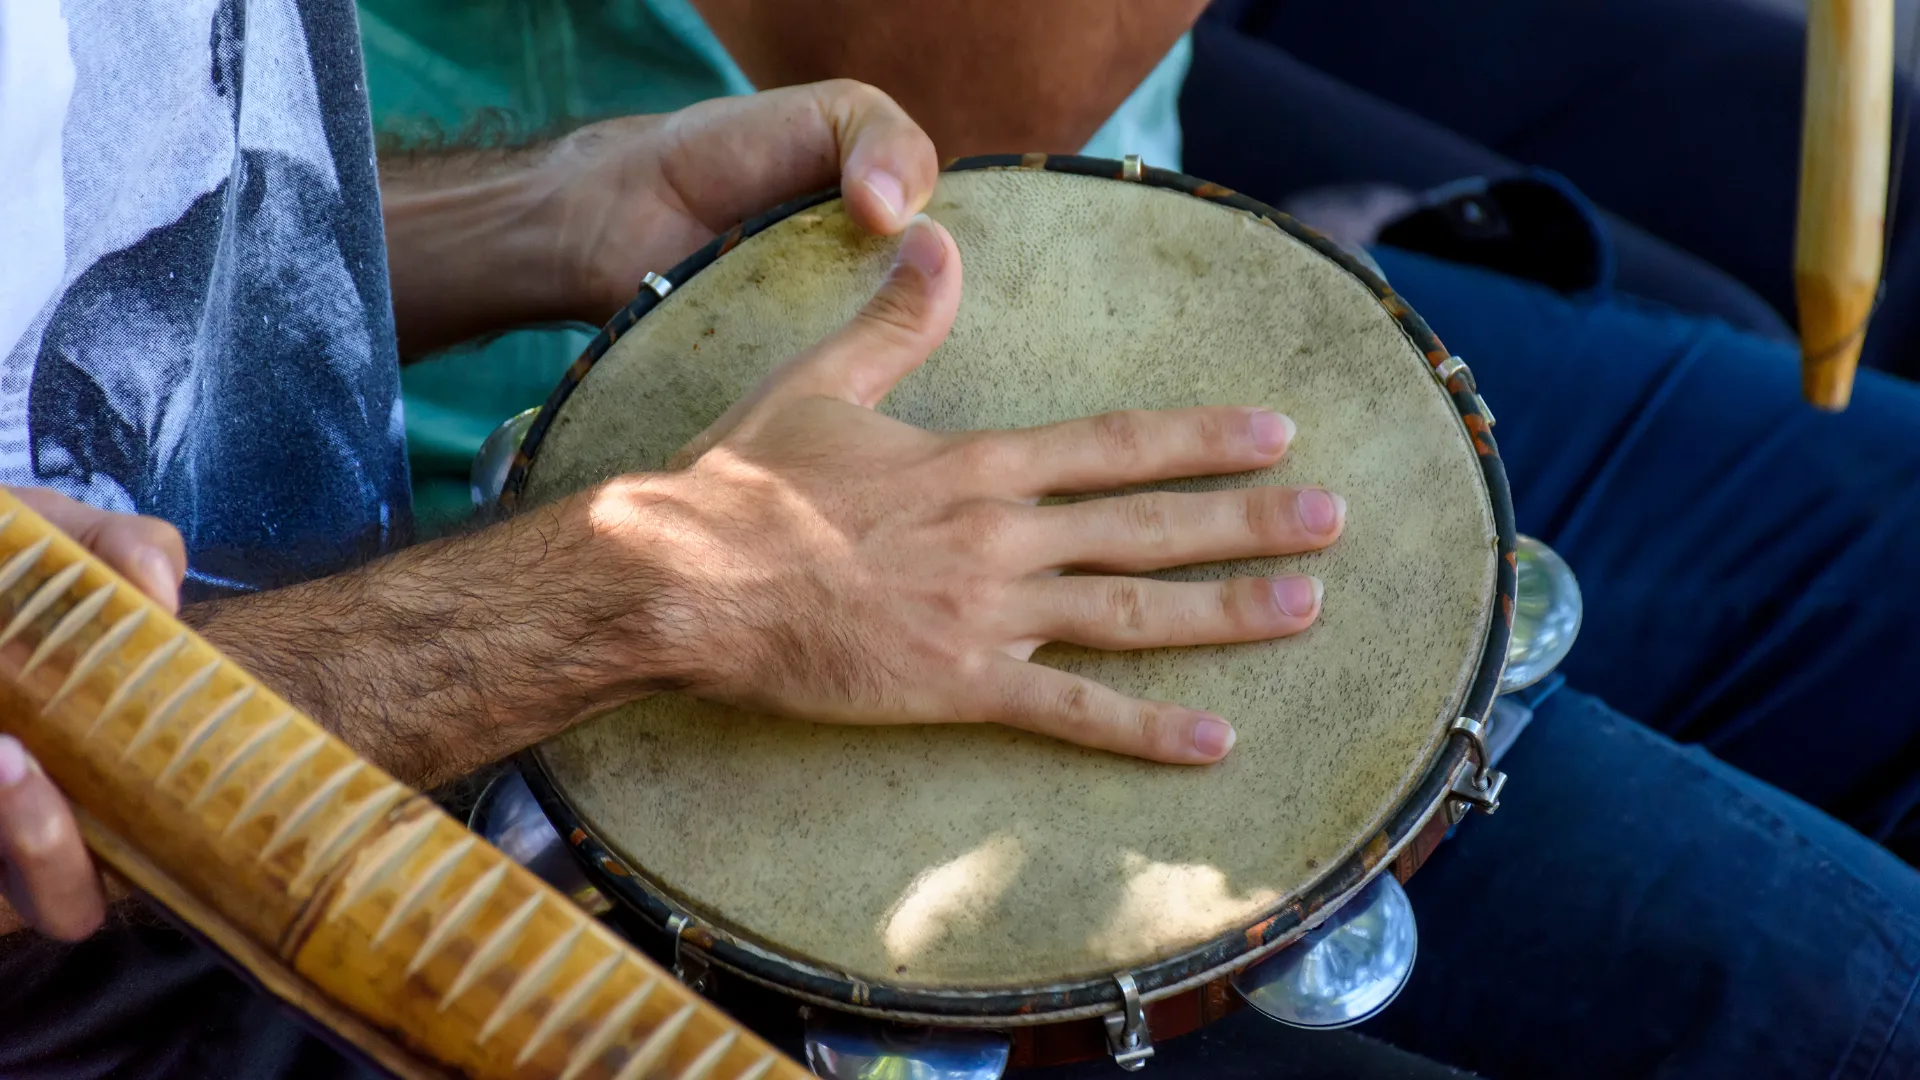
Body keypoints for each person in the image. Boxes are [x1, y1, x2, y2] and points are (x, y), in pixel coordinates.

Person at [2, 4, 1918, 1080]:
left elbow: (129, 262)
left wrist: (552, 204)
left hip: (668, 499)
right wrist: (629, 583)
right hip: (358, 904)